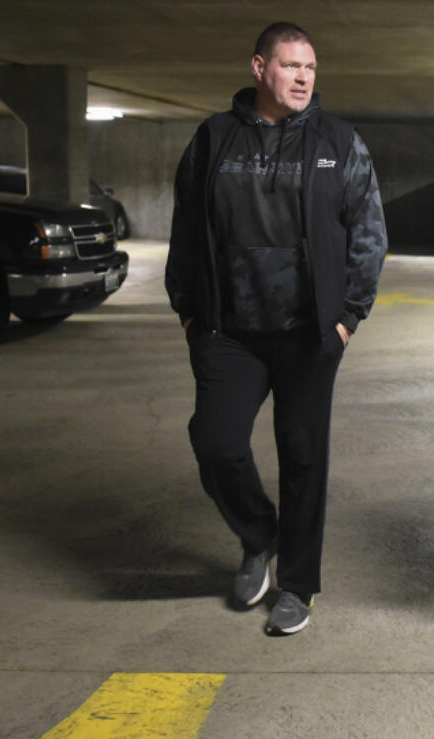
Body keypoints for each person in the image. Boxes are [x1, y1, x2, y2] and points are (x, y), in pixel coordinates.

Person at [165, 21, 387, 636]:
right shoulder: (213, 139)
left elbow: (369, 235)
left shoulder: (339, 142)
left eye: (310, 68)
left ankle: (298, 585)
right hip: (228, 329)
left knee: (304, 457)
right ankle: (259, 533)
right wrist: (189, 311)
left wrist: (347, 319)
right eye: (291, 66)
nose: (303, 78)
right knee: (216, 442)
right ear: (259, 67)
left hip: (308, 332)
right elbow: (185, 230)